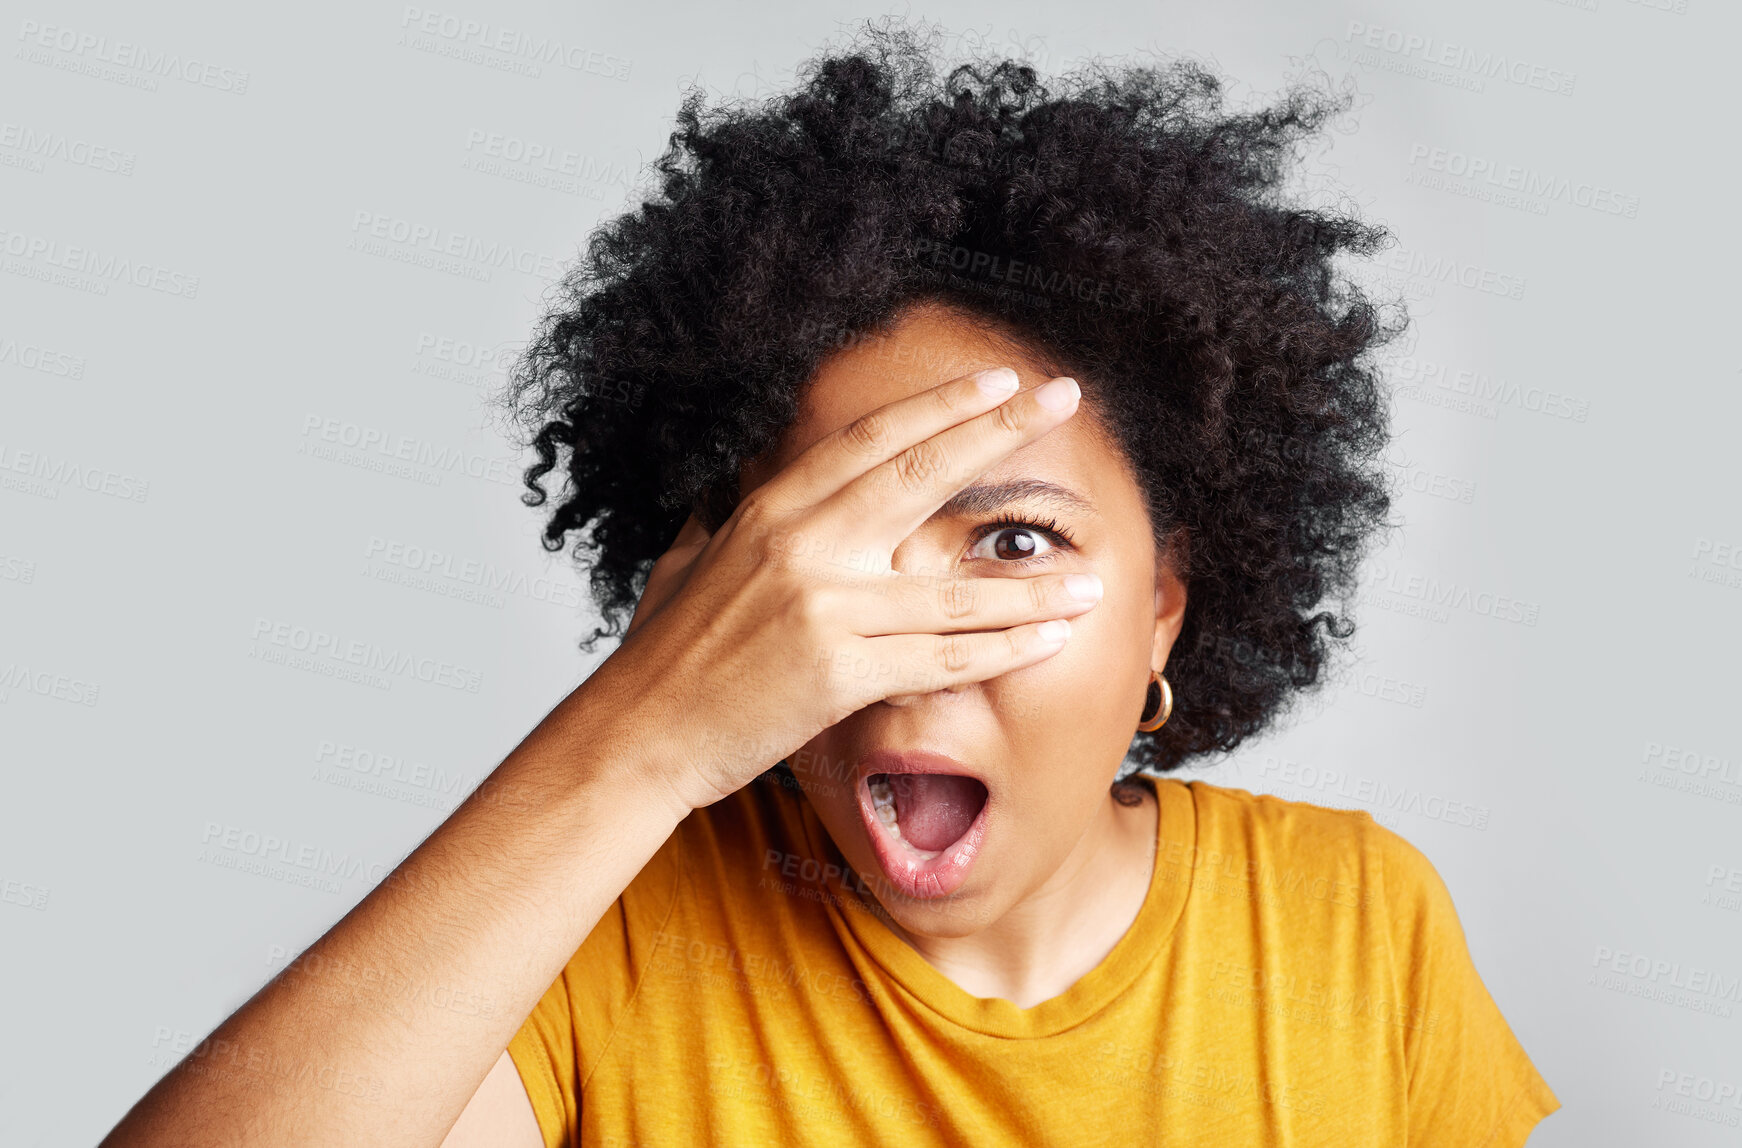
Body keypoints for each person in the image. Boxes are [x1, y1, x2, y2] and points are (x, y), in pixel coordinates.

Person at [101, 21, 1559, 1147]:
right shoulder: (597, 940)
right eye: (820, 543)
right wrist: (640, 735)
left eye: (1013, 540)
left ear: (1164, 608)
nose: (889, 643)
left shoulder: (1350, 917)